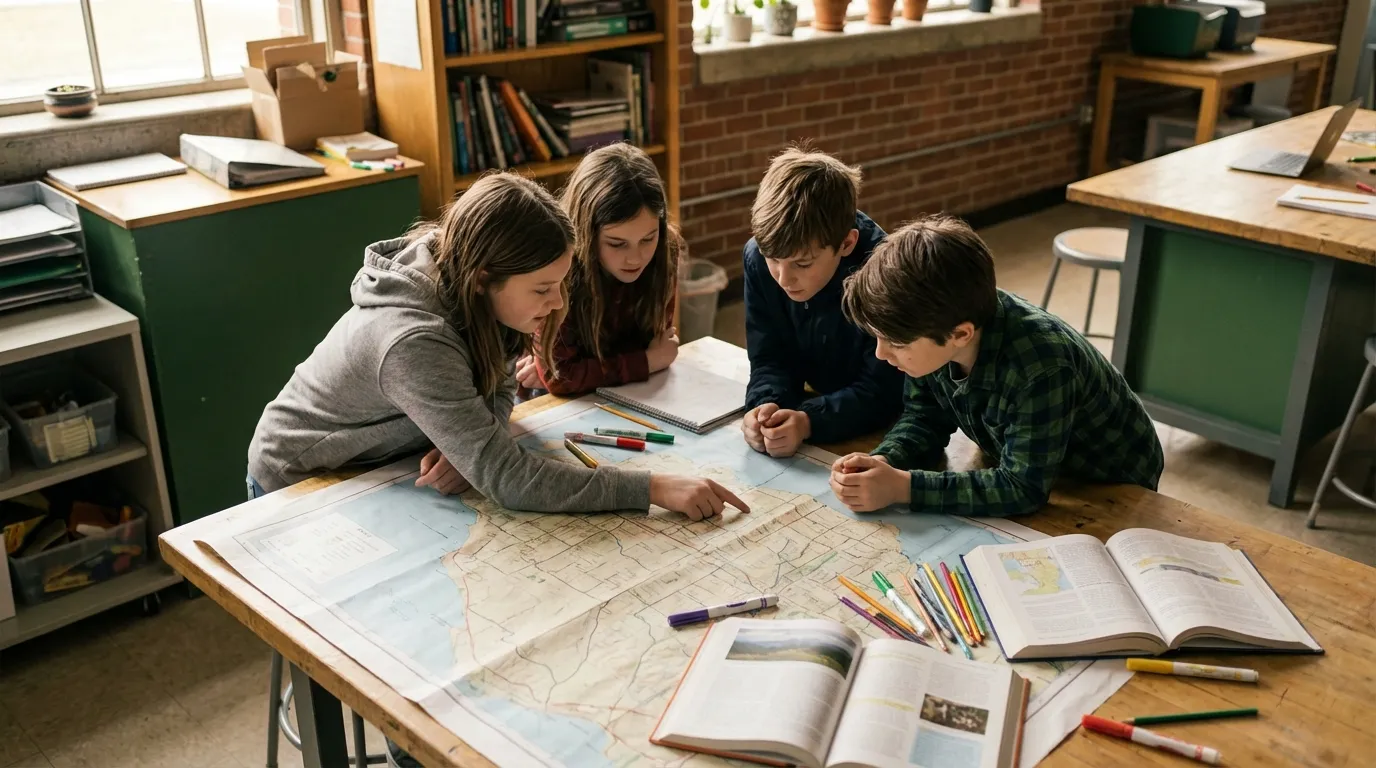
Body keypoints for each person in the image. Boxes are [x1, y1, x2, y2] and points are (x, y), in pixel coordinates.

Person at [248, 172, 748, 522]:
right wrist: (655, 487)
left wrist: (469, 437)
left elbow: (501, 383)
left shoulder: (474, 282)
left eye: (561, 283)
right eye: (542, 289)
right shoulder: (413, 340)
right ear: (487, 278)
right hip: (303, 479)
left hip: (384, 458)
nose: (557, 305)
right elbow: (509, 479)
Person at [829, 215, 1164, 516]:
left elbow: (1023, 488)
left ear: (960, 334)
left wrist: (904, 487)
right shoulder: (934, 325)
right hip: (1030, 459)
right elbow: (924, 416)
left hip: (1109, 482)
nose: (881, 354)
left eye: (896, 344)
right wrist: (885, 461)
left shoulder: (1041, 367)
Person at [741, 146, 904, 458]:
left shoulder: (884, 275)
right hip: (815, 402)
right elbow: (769, 357)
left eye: (802, 264)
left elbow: (884, 390)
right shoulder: (757, 258)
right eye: (773, 259)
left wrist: (808, 421)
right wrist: (765, 406)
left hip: (876, 428)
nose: (783, 279)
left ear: (846, 243)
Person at [514, 143, 680, 396]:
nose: (636, 258)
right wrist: (646, 362)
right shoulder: (559, 263)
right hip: (551, 401)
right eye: (617, 243)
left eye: (648, 238)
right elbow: (559, 377)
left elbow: (659, 345)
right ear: (586, 234)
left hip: (632, 391)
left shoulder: (666, 249)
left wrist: (582, 371)